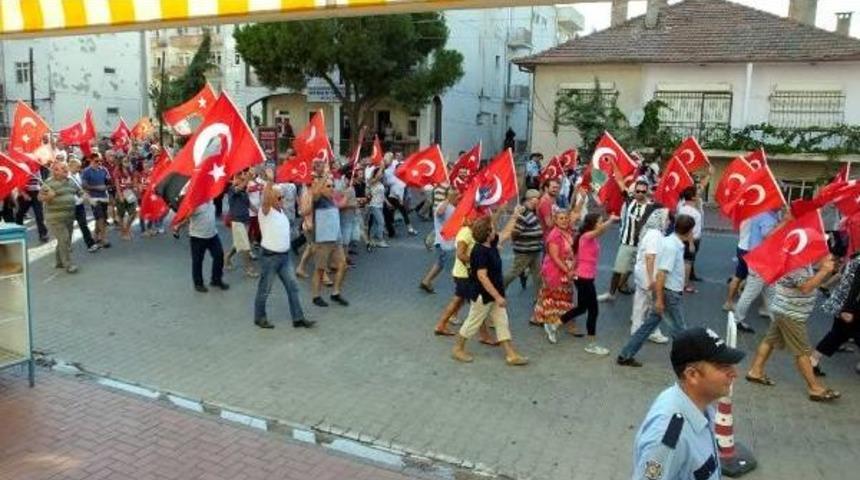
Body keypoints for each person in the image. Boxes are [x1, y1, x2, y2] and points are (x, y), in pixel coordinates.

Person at [632, 327, 744, 480]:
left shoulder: (701, 407)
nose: (734, 373)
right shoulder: (669, 437)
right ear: (692, 375)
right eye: (723, 366)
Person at [745, 256, 841, 401]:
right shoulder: (795, 266)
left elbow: (808, 277)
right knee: (802, 351)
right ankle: (814, 388)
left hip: (783, 309)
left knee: (769, 341)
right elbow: (806, 288)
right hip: (790, 314)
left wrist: (824, 266)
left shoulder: (797, 260)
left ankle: (755, 371)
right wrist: (824, 271)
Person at [617, 214, 697, 367]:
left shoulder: (670, 242)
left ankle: (626, 354)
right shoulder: (672, 247)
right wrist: (659, 300)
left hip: (667, 292)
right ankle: (689, 363)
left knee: (649, 325)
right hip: (669, 294)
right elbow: (661, 274)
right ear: (689, 231)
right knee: (680, 330)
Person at [451, 212, 529, 366]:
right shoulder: (479, 252)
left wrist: (514, 216)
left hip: (493, 294)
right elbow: (482, 277)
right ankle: (457, 348)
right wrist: (498, 296)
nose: (495, 230)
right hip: (483, 295)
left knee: (502, 322)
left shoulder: (491, 244)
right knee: (473, 322)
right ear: (487, 234)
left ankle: (510, 354)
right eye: (493, 229)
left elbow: (506, 233)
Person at [253, 171, 313, 330]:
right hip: (270, 257)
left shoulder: (280, 212)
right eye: (279, 197)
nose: (282, 200)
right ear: (271, 198)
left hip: (284, 257)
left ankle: (298, 318)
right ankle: (259, 317)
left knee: (293, 287)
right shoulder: (265, 211)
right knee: (265, 289)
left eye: (282, 197)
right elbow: (265, 199)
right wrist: (270, 182)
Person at [557, 213, 618, 354]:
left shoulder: (589, 237)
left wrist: (571, 271)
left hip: (585, 277)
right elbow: (600, 230)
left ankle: (554, 324)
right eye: (599, 221)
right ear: (593, 224)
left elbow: (577, 256)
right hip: (583, 278)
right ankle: (591, 344)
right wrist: (610, 220)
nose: (601, 224)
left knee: (582, 308)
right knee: (593, 310)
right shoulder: (586, 236)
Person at [599, 178, 652, 301]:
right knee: (618, 269)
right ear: (634, 191)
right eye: (638, 191)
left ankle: (643, 297)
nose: (640, 194)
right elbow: (620, 182)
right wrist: (613, 162)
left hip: (642, 245)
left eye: (643, 192)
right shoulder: (629, 201)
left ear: (647, 192)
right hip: (627, 243)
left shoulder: (651, 207)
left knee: (640, 271)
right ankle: (611, 294)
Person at [731, 209, 782, 332]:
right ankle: (736, 320)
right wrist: (784, 223)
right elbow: (767, 235)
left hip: (763, 259)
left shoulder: (764, 214)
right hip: (761, 261)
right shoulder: (767, 217)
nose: (782, 204)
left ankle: (778, 324)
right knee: (751, 293)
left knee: (771, 292)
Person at [812, 251, 860, 376]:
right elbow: (856, 287)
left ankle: (813, 360)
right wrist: (848, 309)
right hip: (850, 305)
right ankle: (812, 360)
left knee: (838, 334)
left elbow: (842, 275)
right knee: (839, 334)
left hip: (844, 303)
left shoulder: (855, 257)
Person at [630, 204, 670, 344]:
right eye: (667, 219)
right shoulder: (656, 235)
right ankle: (653, 331)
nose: (669, 222)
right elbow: (650, 257)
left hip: (642, 274)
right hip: (648, 275)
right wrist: (652, 279)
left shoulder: (650, 232)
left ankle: (636, 330)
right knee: (654, 306)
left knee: (640, 304)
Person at [532, 209, 575, 341]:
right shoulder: (554, 235)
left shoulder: (568, 232)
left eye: (566, 218)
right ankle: (551, 326)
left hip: (566, 267)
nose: (564, 220)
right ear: (555, 220)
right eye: (560, 218)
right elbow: (555, 257)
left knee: (561, 295)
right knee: (553, 297)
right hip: (555, 270)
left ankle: (542, 318)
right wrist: (567, 270)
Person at [310, 176, 349, 307]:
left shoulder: (332, 200)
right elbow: (314, 193)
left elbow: (343, 204)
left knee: (343, 265)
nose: (332, 188)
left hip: (336, 239)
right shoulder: (318, 200)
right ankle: (316, 296)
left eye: (333, 185)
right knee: (320, 269)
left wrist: (347, 194)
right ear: (321, 188)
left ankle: (335, 293)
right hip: (323, 240)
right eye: (328, 186)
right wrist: (324, 178)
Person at [39, 161, 82, 274]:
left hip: (69, 216)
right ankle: (68, 264)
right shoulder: (48, 183)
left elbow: (79, 192)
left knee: (64, 240)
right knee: (64, 239)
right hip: (55, 218)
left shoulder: (71, 181)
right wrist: (49, 196)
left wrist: (85, 196)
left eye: (65, 167)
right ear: (55, 171)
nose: (65, 170)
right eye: (62, 168)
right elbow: (40, 197)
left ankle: (59, 261)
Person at [179, 202, 229, 293]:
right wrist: (178, 226)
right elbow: (186, 217)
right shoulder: (195, 203)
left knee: (219, 255)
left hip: (212, 234)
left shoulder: (211, 200)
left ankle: (216, 280)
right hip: (197, 236)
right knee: (197, 261)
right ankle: (198, 284)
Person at [419, 189, 458, 293]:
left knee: (440, 263)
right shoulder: (443, 205)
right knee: (455, 268)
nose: (457, 196)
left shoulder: (453, 207)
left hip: (448, 243)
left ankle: (426, 281)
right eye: (455, 194)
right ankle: (462, 289)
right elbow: (440, 212)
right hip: (444, 244)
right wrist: (448, 199)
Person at [503, 189, 543, 290]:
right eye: (538, 198)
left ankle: (539, 299)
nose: (539, 201)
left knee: (538, 275)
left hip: (534, 250)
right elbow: (515, 231)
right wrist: (516, 241)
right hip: (525, 251)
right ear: (531, 199)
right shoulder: (523, 212)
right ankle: (498, 288)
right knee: (514, 272)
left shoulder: (530, 211)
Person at [224, 171, 258, 278]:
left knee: (238, 244)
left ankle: (227, 257)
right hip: (237, 221)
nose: (242, 179)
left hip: (245, 220)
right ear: (235, 178)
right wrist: (247, 179)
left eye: (243, 177)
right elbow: (238, 189)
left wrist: (259, 212)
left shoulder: (243, 191)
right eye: (240, 177)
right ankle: (249, 269)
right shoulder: (232, 189)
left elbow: (249, 204)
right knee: (245, 246)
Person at [67, 156, 99, 253]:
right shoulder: (66, 177)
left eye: (79, 167)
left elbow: (80, 189)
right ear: (70, 166)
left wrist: (85, 198)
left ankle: (91, 244)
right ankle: (66, 246)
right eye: (77, 167)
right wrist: (81, 198)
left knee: (83, 224)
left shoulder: (78, 175)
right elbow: (69, 192)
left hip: (79, 205)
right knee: (69, 227)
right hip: (70, 205)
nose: (79, 169)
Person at [81, 152, 112, 248]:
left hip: (104, 197)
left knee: (101, 218)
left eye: (100, 161)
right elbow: (84, 185)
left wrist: (107, 188)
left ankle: (95, 236)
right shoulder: (86, 171)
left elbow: (109, 183)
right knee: (101, 217)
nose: (99, 163)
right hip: (93, 198)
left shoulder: (104, 170)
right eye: (96, 161)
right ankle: (104, 239)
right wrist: (97, 188)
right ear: (91, 160)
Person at [15, 160, 49, 243]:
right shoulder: (21, 167)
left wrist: (42, 189)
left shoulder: (36, 167)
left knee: (39, 214)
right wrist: (23, 194)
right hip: (25, 192)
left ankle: (43, 234)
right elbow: (18, 182)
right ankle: (18, 231)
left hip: (36, 193)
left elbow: (39, 180)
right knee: (20, 213)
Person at [113, 155, 139, 241]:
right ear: (121, 162)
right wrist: (120, 195)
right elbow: (117, 184)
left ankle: (127, 228)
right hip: (121, 194)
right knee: (121, 214)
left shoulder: (131, 170)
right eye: (124, 161)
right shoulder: (117, 170)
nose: (126, 163)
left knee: (134, 213)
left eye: (127, 161)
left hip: (130, 194)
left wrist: (135, 188)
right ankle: (123, 232)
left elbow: (134, 182)